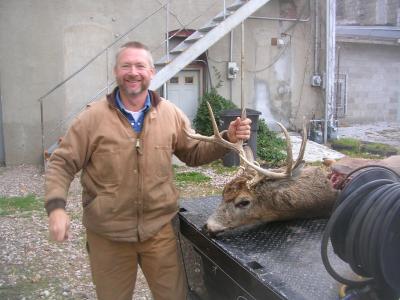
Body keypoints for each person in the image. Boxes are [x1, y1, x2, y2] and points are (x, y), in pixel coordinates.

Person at [45, 41, 251, 300]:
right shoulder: (91, 119)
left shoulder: (170, 114)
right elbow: (62, 163)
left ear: (151, 72)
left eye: (140, 66)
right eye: (126, 66)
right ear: (116, 72)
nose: (133, 72)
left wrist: (227, 138)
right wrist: (56, 208)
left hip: (160, 231)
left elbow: (194, 152)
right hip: (109, 236)